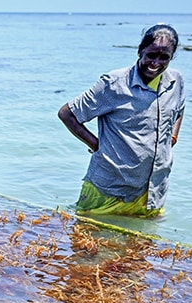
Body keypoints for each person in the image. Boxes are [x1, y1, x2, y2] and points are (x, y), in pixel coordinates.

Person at [58, 24, 185, 218]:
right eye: (151, 55)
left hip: (152, 192)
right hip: (109, 190)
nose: (156, 62)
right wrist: (97, 145)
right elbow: (67, 114)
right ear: (140, 50)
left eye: (164, 57)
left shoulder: (176, 81)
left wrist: (172, 137)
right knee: (88, 245)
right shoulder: (114, 83)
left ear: (172, 56)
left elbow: (179, 110)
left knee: (144, 246)